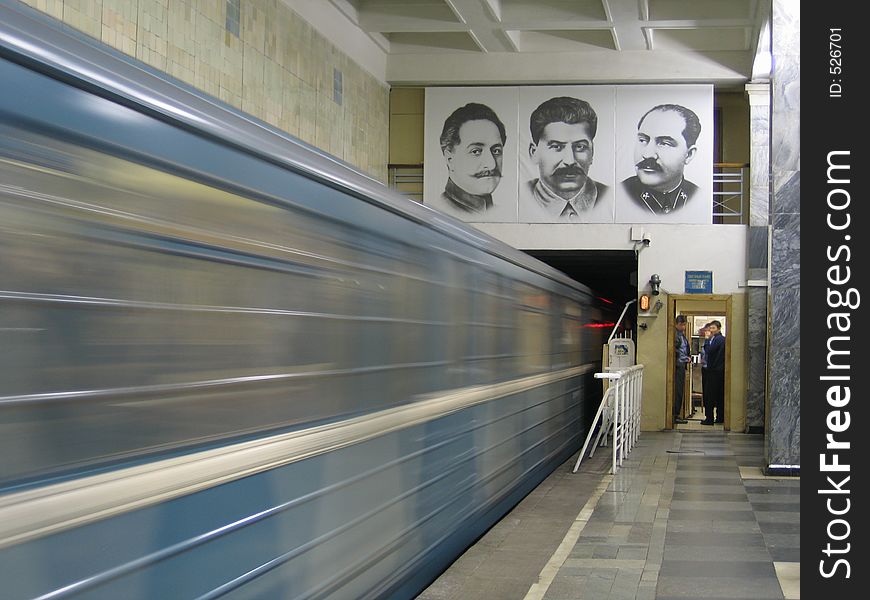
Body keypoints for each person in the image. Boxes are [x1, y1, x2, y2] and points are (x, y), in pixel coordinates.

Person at [523, 96, 609, 221]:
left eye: (580, 146)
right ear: (534, 153)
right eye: (557, 146)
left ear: (592, 152)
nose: (570, 161)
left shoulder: (611, 198)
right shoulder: (517, 199)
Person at [621, 103, 701, 215]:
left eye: (664, 143)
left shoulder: (698, 197)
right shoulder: (619, 194)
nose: (647, 154)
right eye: (643, 140)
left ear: (689, 155)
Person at [431, 102, 506, 214]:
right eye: (476, 151)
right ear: (449, 159)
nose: (492, 164)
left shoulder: (497, 211)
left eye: (496, 151)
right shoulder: (441, 211)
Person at [701, 320, 725, 425]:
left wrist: (706, 340)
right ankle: (720, 417)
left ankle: (709, 418)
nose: (711, 330)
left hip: (713, 371)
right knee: (720, 395)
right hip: (719, 370)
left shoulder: (717, 339)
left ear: (718, 329)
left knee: (709, 395)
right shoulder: (720, 339)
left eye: (713, 328)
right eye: (710, 328)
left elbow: (710, 351)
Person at [673, 314, 690, 424]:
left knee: (680, 390)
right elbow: (674, 349)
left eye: (684, 324)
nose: (683, 327)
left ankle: (677, 414)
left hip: (682, 364)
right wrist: (685, 357)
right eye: (681, 324)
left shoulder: (681, 335)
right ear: (676, 324)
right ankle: (675, 415)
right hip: (678, 364)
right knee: (678, 390)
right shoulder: (675, 335)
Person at [699, 323, 712, 421]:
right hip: (704, 367)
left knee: (709, 393)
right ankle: (708, 416)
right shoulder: (707, 342)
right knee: (706, 392)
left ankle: (709, 417)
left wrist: (707, 339)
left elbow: (708, 352)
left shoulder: (710, 341)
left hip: (710, 369)